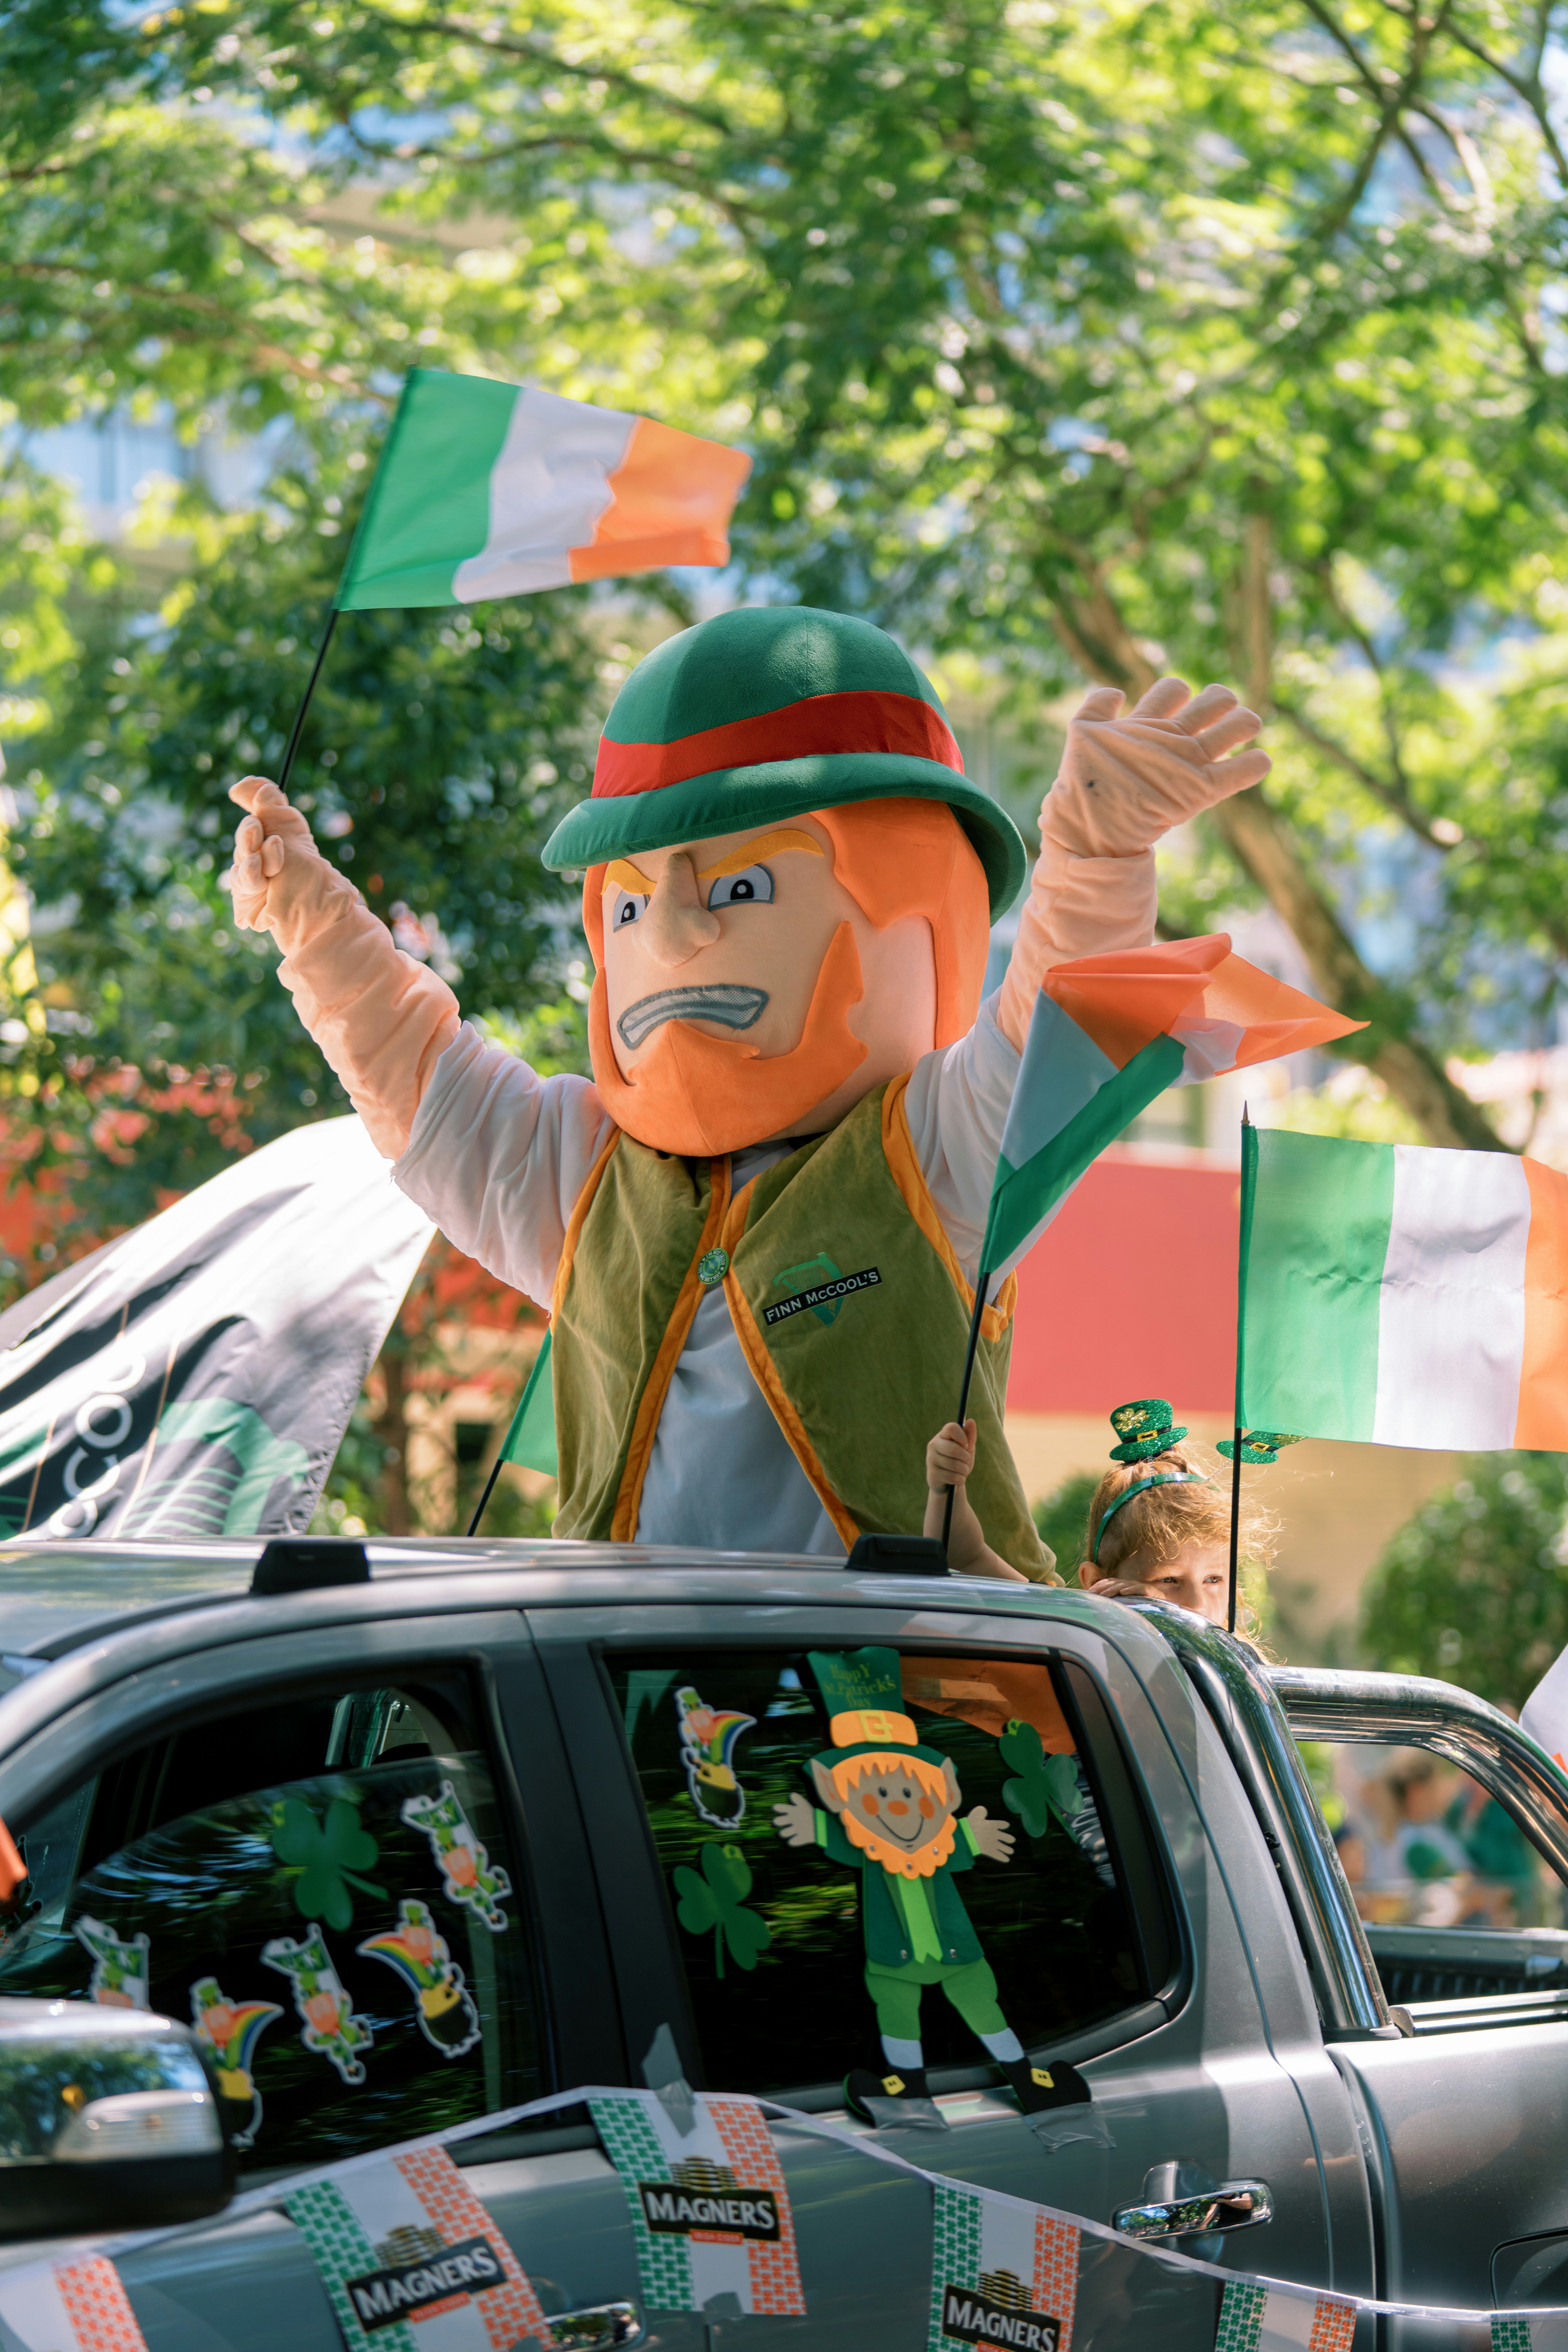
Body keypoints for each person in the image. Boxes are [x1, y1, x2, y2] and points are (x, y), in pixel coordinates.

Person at [228, 603, 1271, 1557]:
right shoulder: (583, 1173)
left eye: (740, 885)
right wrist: (311, 921)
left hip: (905, 1730)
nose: (676, 934)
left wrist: (1095, 861)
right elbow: (424, 1077)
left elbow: (1057, 1051)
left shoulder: (933, 1151)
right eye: (631, 908)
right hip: (629, 1723)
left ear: (920, 908)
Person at [926, 1397, 1276, 1637]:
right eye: (1168, 1581)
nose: (1198, 1604)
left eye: (1214, 1580)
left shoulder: (1238, 1665)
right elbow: (965, 1554)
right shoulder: (1072, 1633)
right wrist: (947, 1488)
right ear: (1097, 1583)